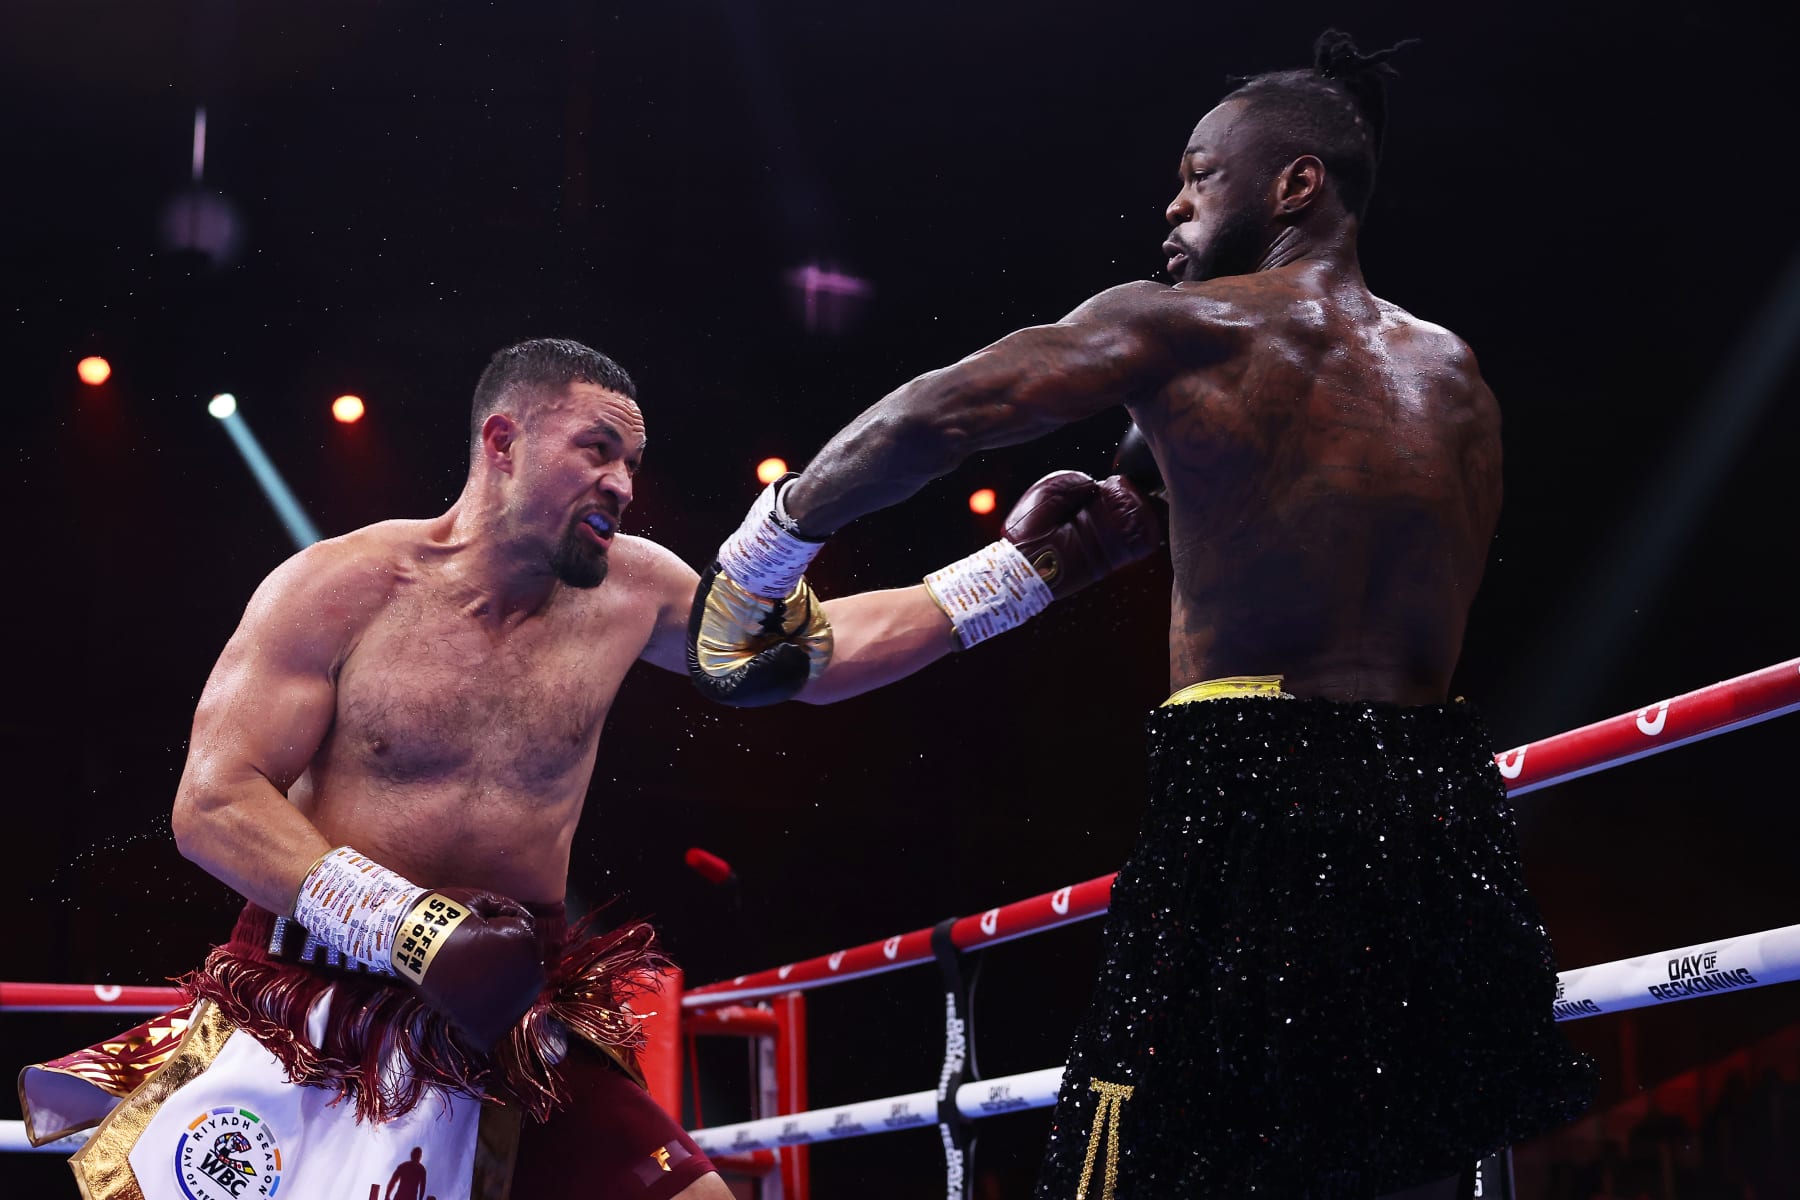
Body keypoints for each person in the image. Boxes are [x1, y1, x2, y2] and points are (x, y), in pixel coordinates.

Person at [690, 30, 1594, 1200]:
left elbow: (943, 416)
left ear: (1296, 184)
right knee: (1388, 1167)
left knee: (1121, 1158)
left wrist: (768, 548)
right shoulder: (1457, 376)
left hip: (1254, 789)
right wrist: (1143, 517)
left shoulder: (1188, 327)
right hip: (1435, 810)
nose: (1171, 204)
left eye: (1199, 173)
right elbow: (1342, 552)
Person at [17, 337, 1157, 1200]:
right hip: (315, 1007)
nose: (621, 482)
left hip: (510, 1005)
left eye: (634, 462)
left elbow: (815, 657)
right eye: (596, 449)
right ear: (501, 442)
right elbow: (212, 804)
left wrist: (1026, 575)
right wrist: (412, 928)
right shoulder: (341, 586)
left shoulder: (637, 588)